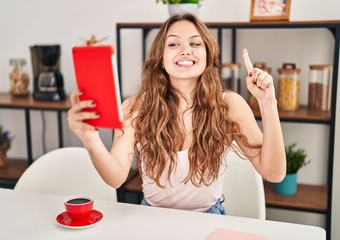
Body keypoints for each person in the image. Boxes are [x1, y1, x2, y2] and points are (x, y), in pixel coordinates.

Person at [67, 13, 286, 215]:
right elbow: (115, 178)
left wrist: (268, 102)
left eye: (195, 43)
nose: (185, 50)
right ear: (160, 59)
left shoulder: (229, 105)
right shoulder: (135, 107)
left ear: (208, 56)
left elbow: (274, 173)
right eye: (173, 44)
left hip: (209, 217)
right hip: (153, 217)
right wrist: (91, 140)